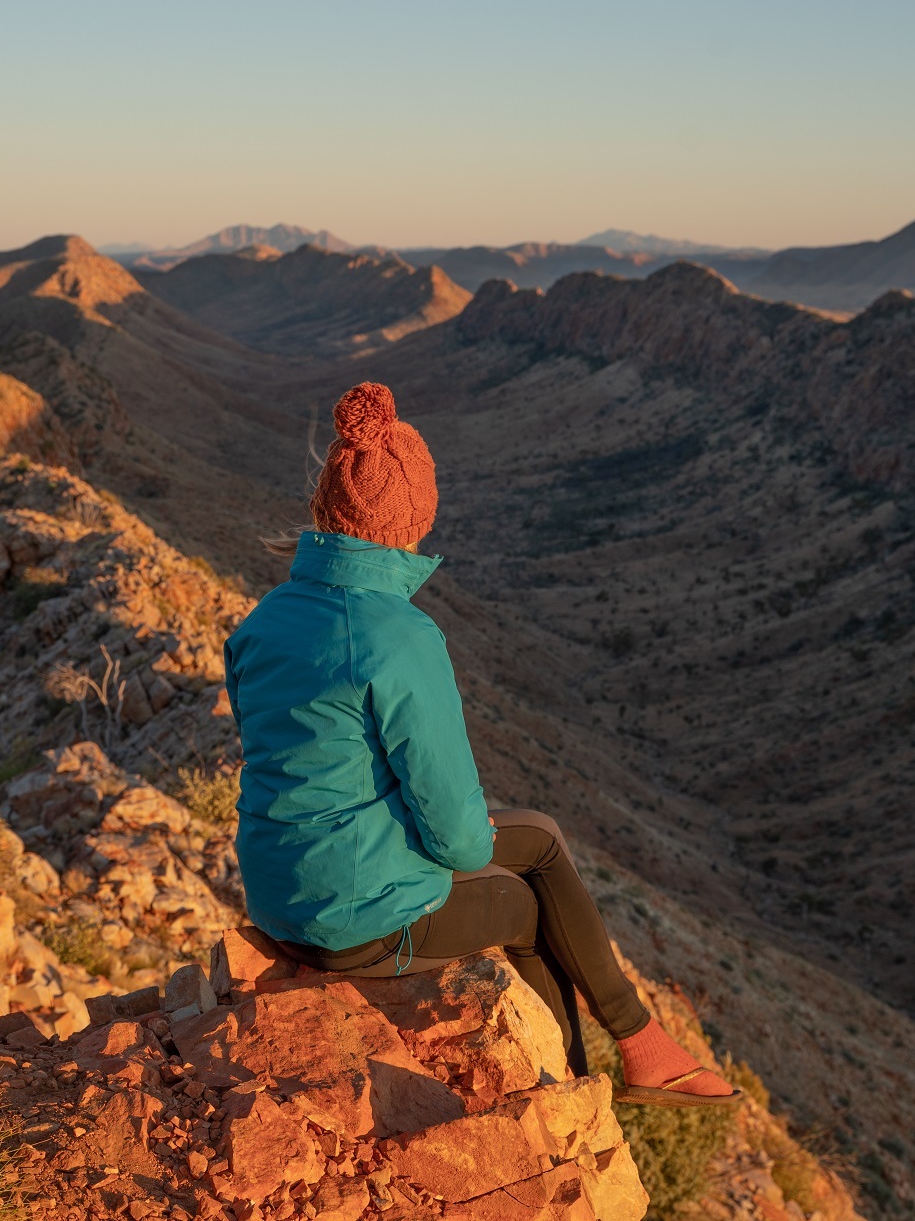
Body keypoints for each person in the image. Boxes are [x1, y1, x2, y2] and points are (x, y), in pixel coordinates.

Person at [223, 381, 739, 1108]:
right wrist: (461, 845)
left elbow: (307, 762)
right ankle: (577, 1094)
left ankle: (641, 1045)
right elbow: (460, 842)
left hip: (282, 894)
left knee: (541, 838)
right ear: (414, 523)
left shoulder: (265, 618)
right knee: (526, 905)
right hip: (353, 922)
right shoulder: (399, 637)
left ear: (327, 509)